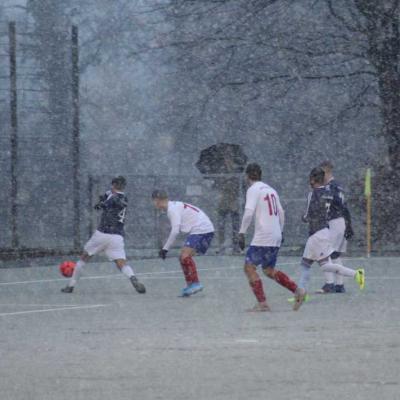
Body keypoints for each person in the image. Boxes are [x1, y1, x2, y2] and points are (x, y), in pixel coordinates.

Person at [293, 167, 364, 311]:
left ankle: (301, 294)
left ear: (313, 179)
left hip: (316, 234)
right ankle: (356, 274)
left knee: (307, 265)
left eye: (310, 178)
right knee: (321, 264)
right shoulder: (329, 192)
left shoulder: (312, 194)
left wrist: (303, 217)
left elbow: (307, 215)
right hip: (324, 230)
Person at [61, 176, 146, 294]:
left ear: (113, 185)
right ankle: (133, 278)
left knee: (84, 257)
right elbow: (107, 196)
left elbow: (105, 204)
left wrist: (100, 204)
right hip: (117, 236)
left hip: (103, 233)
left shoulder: (114, 197)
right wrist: (103, 199)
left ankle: (71, 286)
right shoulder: (124, 197)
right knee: (121, 263)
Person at [238, 163, 298, 312]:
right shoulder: (271, 190)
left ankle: (262, 303)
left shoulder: (253, 189)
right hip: (275, 234)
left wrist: (241, 232)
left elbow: (248, 212)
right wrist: (281, 231)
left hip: (263, 236)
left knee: (249, 268)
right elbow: (282, 213)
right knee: (269, 270)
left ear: (247, 177)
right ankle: (298, 291)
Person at [152, 190, 214, 297]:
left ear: (157, 200)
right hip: (204, 229)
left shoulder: (172, 210)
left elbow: (175, 230)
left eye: (153, 201)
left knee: (184, 256)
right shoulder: (172, 206)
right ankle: (191, 285)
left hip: (202, 229)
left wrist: (165, 249)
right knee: (183, 257)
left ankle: (195, 283)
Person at [317, 160, 354, 293]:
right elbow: (344, 207)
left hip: (333, 222)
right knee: (335, 254)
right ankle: (340, 285)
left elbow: (326, 207)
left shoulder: (329, 187)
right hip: (341, 222)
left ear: (326, 171)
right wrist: (349, 225)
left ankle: (329, 284)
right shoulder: (338, 186)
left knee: (323, 254)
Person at [216, 175, 241, 254]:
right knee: (221, 226)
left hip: (233, 202)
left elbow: (238, 187)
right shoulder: (220, 174)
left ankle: (235, 246)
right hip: (224, 203)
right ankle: (221, 245)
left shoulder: (237, 172)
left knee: (235, 226)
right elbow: (217, 187)